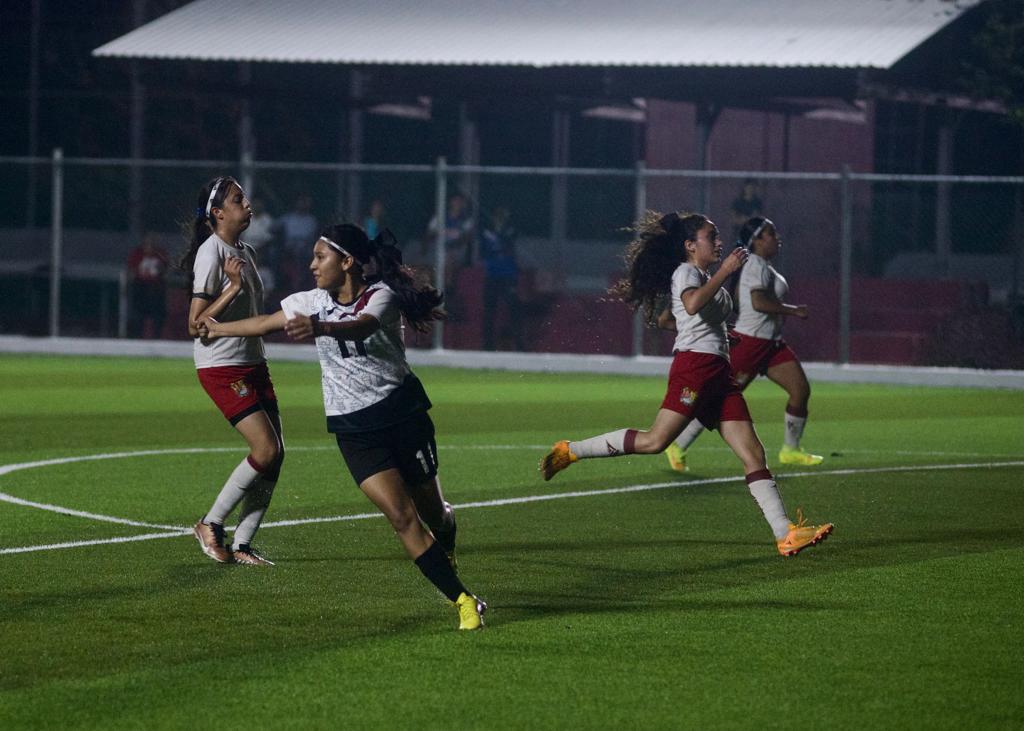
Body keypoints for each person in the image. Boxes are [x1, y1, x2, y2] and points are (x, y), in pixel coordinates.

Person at [200, 223, 487, 630]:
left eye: (321, 257)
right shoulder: (310, 300)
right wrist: (219, 328)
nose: (312, 264)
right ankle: (462, 599)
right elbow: (265, 322)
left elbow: (363, 325)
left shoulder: (380, 296)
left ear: (347, 262)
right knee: (402, 518)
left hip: (402, 417)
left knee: (434, 514)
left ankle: (447, 550)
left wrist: (319, 327)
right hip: (354, 429)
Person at [539, 211, 832, 558]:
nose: (720, 242)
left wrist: (721, 337)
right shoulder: (686, 272)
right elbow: (691, 305)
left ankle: (785, 534)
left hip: (718, 372)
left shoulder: (704, 276)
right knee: (655, 441)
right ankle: (571, 450)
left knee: (753, 453)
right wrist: (722, 280)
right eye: (712, 236)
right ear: (691, 245)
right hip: (695, 369)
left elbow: (674, 318)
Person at [664, 217, 824, 472]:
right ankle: (677, 444)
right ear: (758, 240)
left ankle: (791, 450)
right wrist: (793, 311)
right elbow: (758, 302)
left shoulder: (762, 266)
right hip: (750, 342)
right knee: (714, 399)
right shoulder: (754, 265)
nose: (777, 237)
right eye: (771, 233)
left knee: (800, 390)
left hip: (770, 344)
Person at [180, 175, 285, 566]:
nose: (247, 203)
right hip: (222, 365)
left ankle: (242, 545)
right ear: (219, 213)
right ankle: (210, 523)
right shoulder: (212, 253)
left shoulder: (245, 250)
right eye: (239, 199)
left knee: (277, 454)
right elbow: (194, 324)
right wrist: (231, 288)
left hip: (253, 362)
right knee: (265, 448)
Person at [479, 205, 525, 351]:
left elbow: (508, 243)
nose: (500, 218)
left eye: (503, 215)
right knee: (489, 311)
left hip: (508, 275)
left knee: (513, 310)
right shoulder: (486, 232)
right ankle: (487, 346)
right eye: (497, 215)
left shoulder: (510, 230)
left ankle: (519, 345)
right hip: (492, 275)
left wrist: (499, 236)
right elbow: (484, 252)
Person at [126, 232, 170, 339]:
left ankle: (157, 336)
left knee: (158, 315)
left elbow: (166, 270)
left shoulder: (160, 254)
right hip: (141, 287)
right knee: (138, 314)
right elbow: (131, 270)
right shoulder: (137, 254)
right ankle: (136, 336)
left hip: (156, 288)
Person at [277, 194, 318, 290]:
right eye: (301, 202)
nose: (303, 204)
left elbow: (311, 238)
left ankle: (300, 282)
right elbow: (273, 228)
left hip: (305, 249)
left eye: (305, 202)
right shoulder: (288, 218)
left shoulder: (311, 220)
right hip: (288, 249)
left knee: (302, 253)